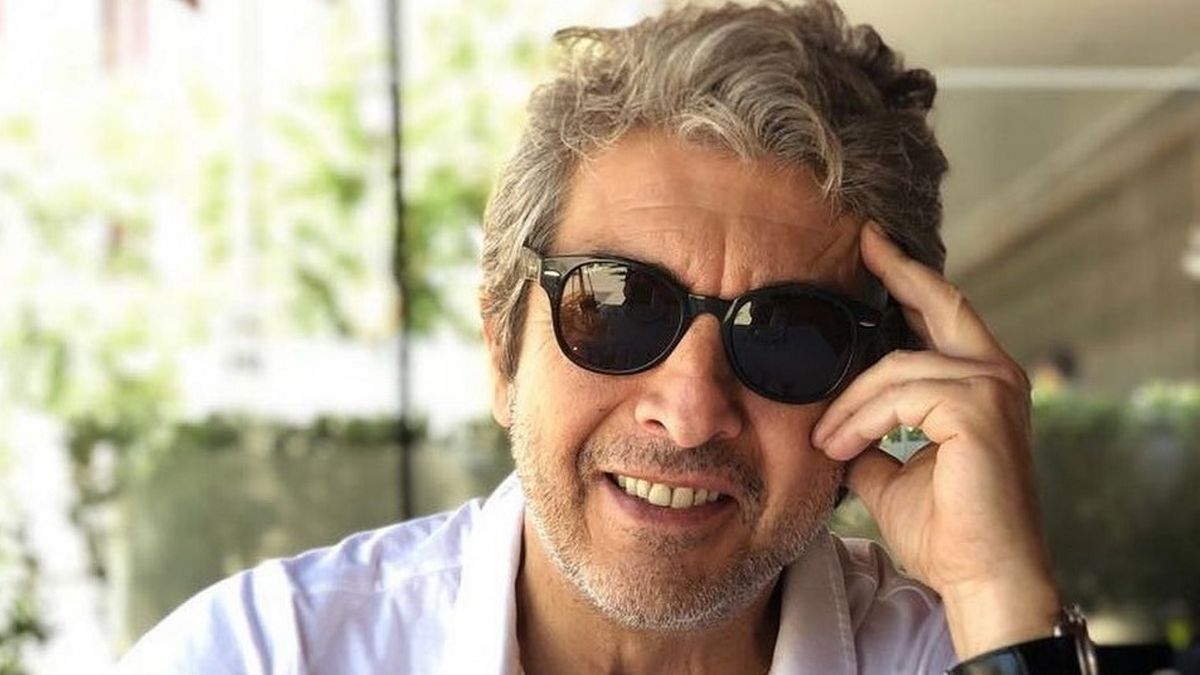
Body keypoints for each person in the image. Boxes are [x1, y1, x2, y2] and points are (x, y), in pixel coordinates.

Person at [117, 2, 1098, 673]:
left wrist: (996, 589)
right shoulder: (268, 655)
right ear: (503, 351)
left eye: (786, 336)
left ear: (877, 385)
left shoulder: (966, 655)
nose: (690, 410)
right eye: (620, 308)